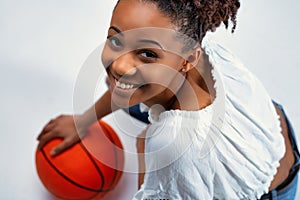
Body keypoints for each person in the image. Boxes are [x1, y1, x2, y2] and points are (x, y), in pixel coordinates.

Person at [37, 0, 299, 199]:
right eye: (116, 40)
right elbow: (125, 82)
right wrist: (84, 121)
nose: (119, 64)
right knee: (124, 84)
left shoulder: (172, 145)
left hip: (266, 190)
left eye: (148, 53)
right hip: (274, 129)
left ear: (188, 59)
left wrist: (146, 154)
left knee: (144, 127)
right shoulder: (207, 53)